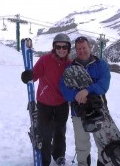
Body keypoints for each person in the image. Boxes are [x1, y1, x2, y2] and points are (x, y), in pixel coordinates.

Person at [21, 33, 72, 166]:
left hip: (62, 103)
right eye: (58, 47)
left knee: (60, 131)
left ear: (68, 48)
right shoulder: (45, 60)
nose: (61, 49)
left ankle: (59, 155)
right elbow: (35, 74)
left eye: (64, 47)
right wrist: (28, 75)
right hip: (45, 103)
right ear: (54, 47)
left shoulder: (70, 64)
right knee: (45, 132)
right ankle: (45, 159)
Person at [59, 36, 111, 166]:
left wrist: (87, 90)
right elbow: (63, 88)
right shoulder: (70, 68)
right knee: (82, 143)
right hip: (78, 112)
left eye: (84, 48)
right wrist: (75, 95)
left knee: (102, 142)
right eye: (79, 49)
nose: (82, 51)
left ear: (90, 48)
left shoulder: (101, 64)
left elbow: (104, 84)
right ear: (75, 50)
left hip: (99, 109)